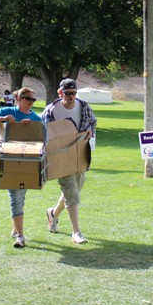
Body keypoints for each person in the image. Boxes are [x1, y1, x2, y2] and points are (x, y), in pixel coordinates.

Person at [0, 86, 43, 249]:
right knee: (16, 198)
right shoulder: (7, 111)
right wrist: (1, 119)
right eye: (28, 99)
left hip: (28, 164)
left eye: (33, 100)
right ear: (19, 99)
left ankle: (15, 229)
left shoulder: (35, 117)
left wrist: (31, 126)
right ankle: (20, 236)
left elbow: (44, 138)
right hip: (9, 162)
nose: (31, 103)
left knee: (21, 197)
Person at [40, 78, 96, 245]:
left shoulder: (84, 107)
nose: (71, 96)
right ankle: (76, 232)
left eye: (73, 93)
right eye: (67, 93)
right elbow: (44, 132)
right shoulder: (51, 111)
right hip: (60, 157)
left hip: (80, 154)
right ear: (60, 92)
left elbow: (93, 122)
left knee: (75, 190)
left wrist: (90, 130)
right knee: (71, 191)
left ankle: (53, 214)